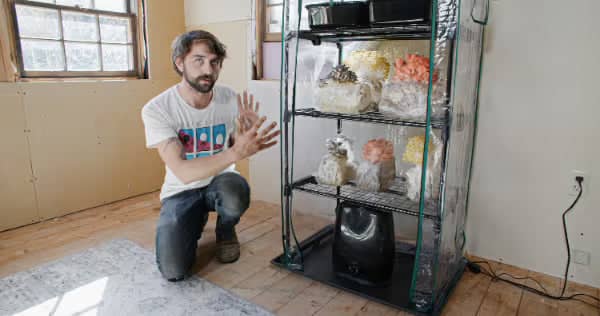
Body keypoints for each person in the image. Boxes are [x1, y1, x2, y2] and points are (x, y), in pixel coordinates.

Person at [141, 30, 279, 282]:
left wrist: (242, 138)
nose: (208, 69)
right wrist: (235, 151)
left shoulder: (228, 98)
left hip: (220, 183)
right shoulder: (157, 109)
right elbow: (182, 171)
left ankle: (225, 229)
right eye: (199, 60)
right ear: (179, 62)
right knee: (173, 271)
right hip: (181, 191)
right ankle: (195, 217)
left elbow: (229, 147)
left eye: (214, 62)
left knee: (236, 190)